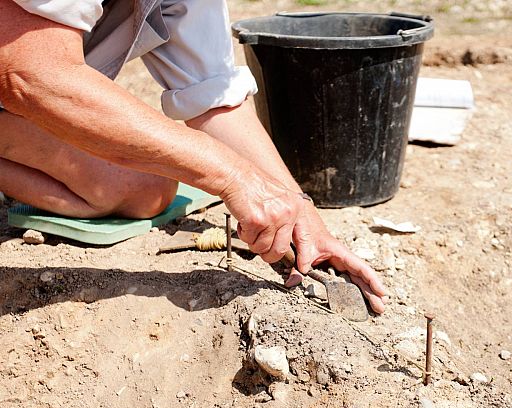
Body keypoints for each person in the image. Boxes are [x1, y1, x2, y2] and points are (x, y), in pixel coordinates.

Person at [0, 0, 388, 313]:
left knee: (145, 188)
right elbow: (30, 76)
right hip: (25, 78)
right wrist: (232, 176)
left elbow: (213, 97)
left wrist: (302, 214)